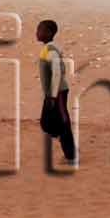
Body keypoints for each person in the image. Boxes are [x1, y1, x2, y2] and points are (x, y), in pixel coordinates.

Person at [35, 19, 76, 164]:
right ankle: (59, 133)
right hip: (52, 93)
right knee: (46, 122)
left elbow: (58, 72)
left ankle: (71, 155)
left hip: (58, 92)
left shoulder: (51, 49)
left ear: (49, 33)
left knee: (63, 121)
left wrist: (52, 96)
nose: (37, 32)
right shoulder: (47, 48)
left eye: (40, 30)